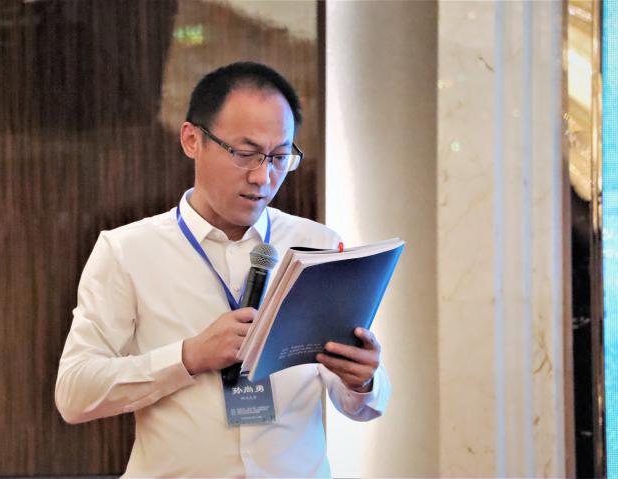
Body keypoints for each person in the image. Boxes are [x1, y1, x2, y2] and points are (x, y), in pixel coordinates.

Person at [55, 61, 391, 477]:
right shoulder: (128, 251)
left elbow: (361, 406)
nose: (263, 177)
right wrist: (188, 357)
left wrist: (362, 380)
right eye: (245, 154)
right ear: (192, 140)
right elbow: (74, 394)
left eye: (280, 157)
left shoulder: (318, 246)